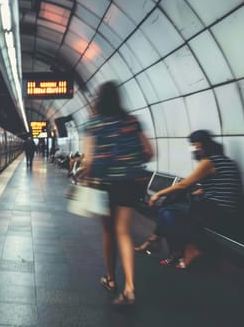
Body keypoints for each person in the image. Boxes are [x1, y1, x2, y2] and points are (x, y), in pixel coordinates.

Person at [81, 81, 153, 306]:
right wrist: (129, 163)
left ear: (99, 100)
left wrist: (84, 171)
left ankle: (111, 279)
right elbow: (149, 152)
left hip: (104, 184)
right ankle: (130, 287)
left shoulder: (94, 124)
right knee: (124, 232)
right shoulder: (132, 121)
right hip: (130, 183)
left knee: (108, 232)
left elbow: (89, 161)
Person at [147, 130, 243, 269]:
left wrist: (158, 194)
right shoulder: (226, 161)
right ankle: (177, 249)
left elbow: (184, 184)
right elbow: (221, 187)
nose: (192, 149)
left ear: (199, 145)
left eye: (192, 145)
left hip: (216, 210)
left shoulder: (209, 162)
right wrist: (199, 192)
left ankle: (181, 249)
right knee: (167, 210)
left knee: (167, 211)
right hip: (224, 209)